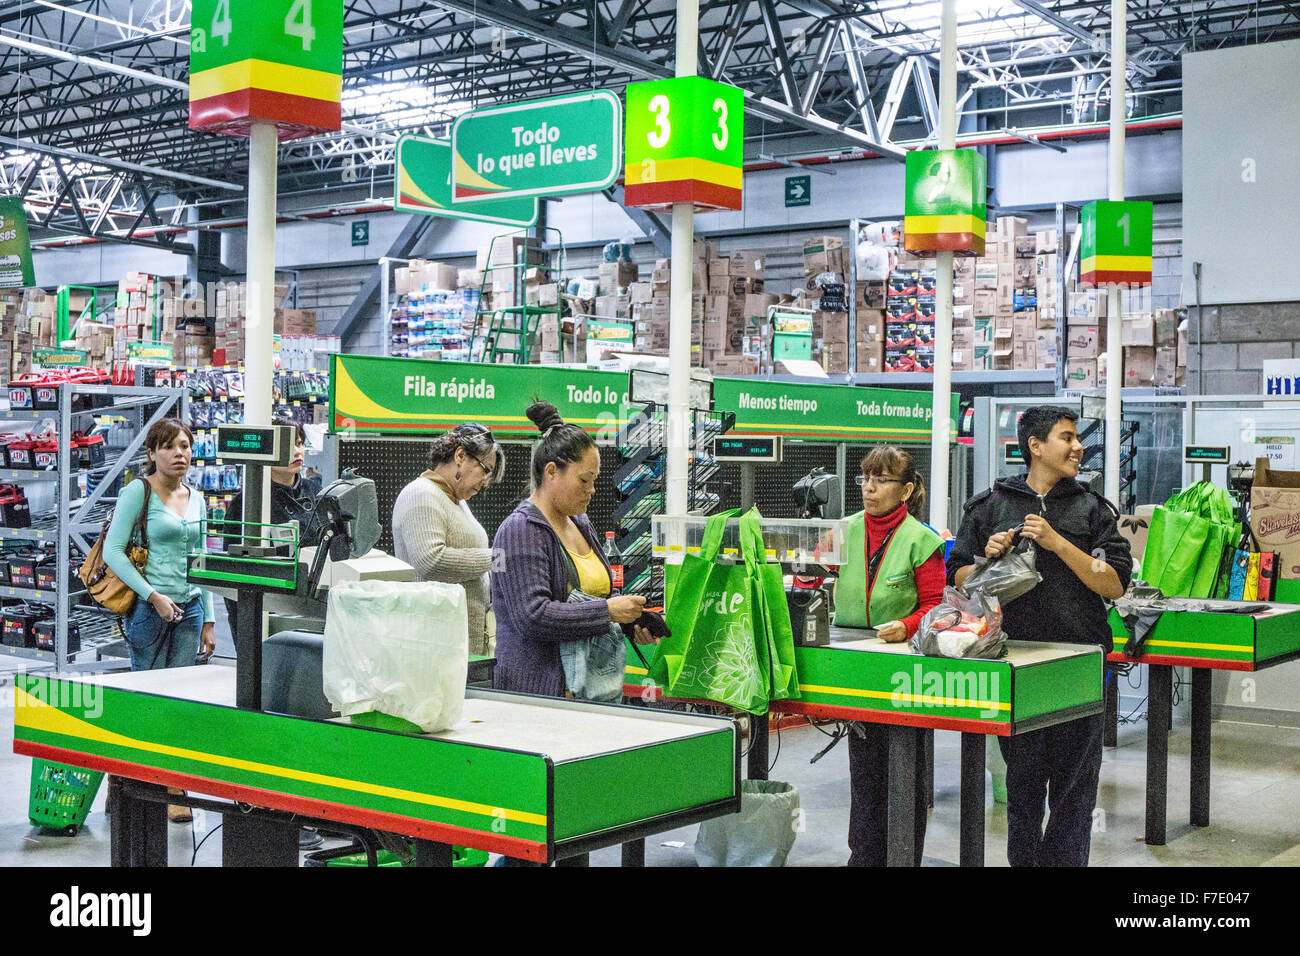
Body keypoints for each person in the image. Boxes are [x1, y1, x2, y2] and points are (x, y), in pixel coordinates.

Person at [947, 405, 1131, 867]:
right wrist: (988, 561)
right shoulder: (991, 505)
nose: (1078, 447)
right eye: (1067, 437)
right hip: (1017, 666)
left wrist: (1057, 542)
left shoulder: (1093, 510)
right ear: (1035, 446)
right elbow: (959, 579)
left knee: (1075, 792)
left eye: (1077, 438)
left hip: (1078, 667)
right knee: (1023, 788)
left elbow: (1114, 583)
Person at [491, 400, 653, 697]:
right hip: (541, 695)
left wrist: (630, 619)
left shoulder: (579, 522)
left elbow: (595, 596)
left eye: (594, 480)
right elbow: (533, 616)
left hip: (589, 692)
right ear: (552, 472)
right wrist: (608, 612)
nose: (591, 490)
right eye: (584, 480)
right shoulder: (521, 530)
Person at [833, 445, 945, 866]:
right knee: (864, 773)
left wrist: (908, 625)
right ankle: (864, 858)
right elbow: (814, 574)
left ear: (906, 490)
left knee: (903, 776)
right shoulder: (843, 530)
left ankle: (902, 858)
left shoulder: (922, 540)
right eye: (865, 478)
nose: (869, 487)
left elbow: (937, 607)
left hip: (903, 671)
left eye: (881, 480)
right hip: (855, 664)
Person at [102, 417, 215, 823]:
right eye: (169, 446)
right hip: (148, 611)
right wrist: (153, 596)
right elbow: (113, 552)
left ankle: (173, 786)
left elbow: (203, 560)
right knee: (147, 700)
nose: (179, 454)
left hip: (190, 609)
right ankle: (125, 779)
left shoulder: (197, 498)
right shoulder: (138, 492)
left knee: (179, 703)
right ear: (152, 453)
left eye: (185, 446)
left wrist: (209, 617)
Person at [391, 423, 505, 656]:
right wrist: (497, 559)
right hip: (434, 646)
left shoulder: (455, 500)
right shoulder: (421, 494)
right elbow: (431, 562)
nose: (486, 482)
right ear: (460, 456)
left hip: (458, 644)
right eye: (485, 469)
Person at [223, 417, 324, 640]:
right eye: (287, 445)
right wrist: (244, 629)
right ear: (268, 450)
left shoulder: (317, 494)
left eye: (299, 443)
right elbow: (231, 573)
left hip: (313, 610)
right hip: (265, 611)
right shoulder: (247, 503)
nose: (297, 451)